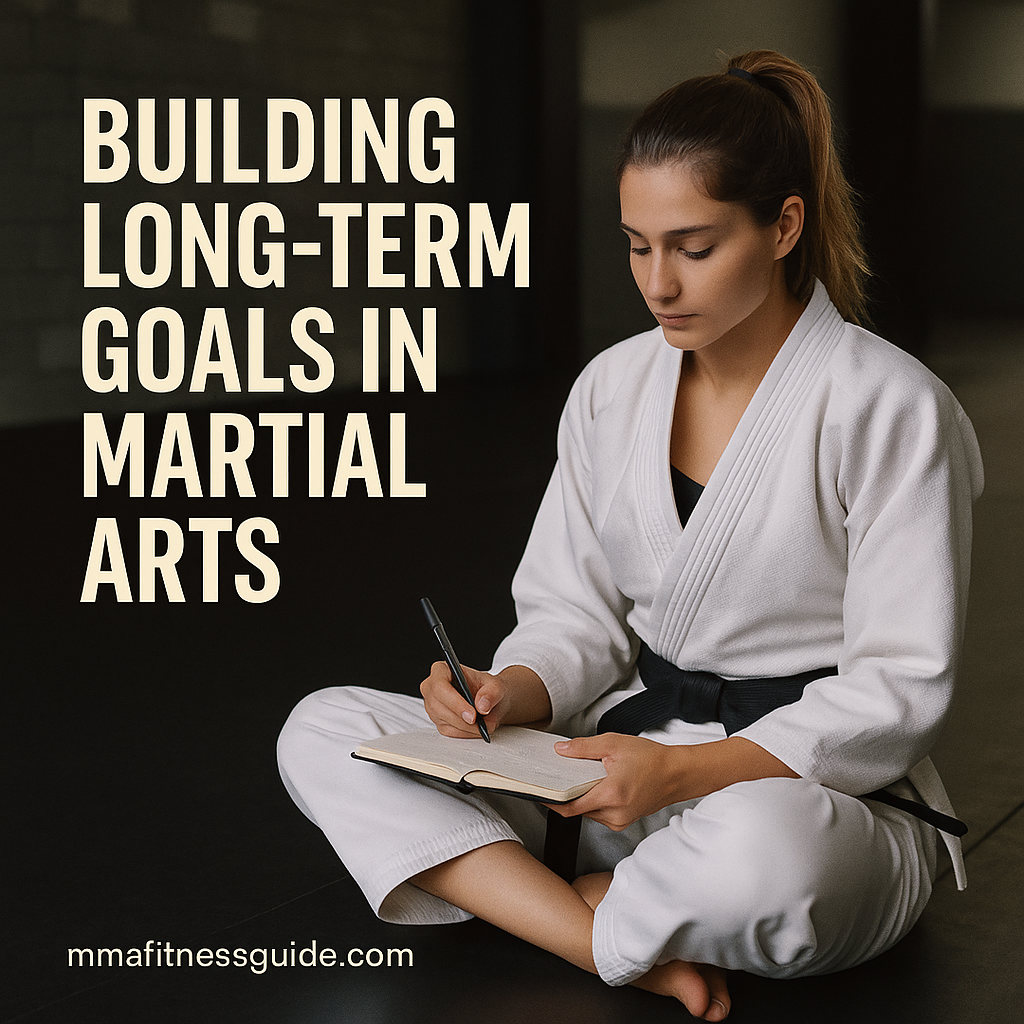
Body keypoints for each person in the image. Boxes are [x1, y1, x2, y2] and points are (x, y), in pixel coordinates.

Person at [278, 50, 983, 1020]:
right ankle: (602, 934)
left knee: (766, 856)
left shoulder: (891, 406)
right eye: (635, 245)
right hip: (612, 771)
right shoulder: (612, 387)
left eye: (693, 247)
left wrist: (686, 773)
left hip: (809, 797)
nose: (658, 282)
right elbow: (572, 612)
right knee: (321, 729)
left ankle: (542, 906)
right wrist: (508, 690)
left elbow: (898, 689)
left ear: (783, 227)